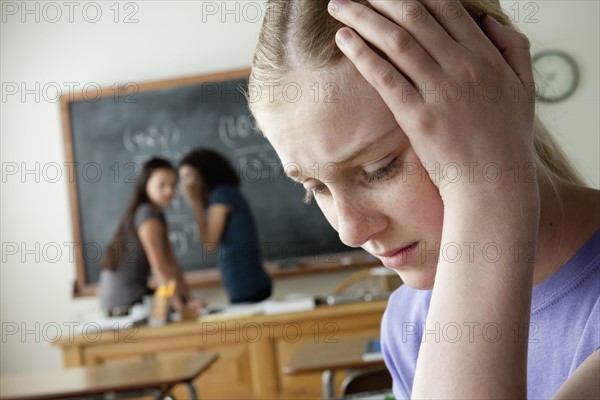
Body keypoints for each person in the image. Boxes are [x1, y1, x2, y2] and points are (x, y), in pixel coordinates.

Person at [248, 0, 599, 398]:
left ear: (496, 99)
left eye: (380, 168)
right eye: (316, 188)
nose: (350, 230)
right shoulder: (409, 321)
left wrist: (487, 188)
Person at [100, 158, 203, 316]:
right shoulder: (147, 214)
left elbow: (172, 264)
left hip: (119, 302)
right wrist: (181, 307)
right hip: (125, 305)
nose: (169, 191)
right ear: (146, 184)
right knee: (171, 312)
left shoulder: (154, 214)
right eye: (162, 185)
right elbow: (159, 267)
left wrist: (189, 300)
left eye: (172, 185)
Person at [178, 148, 273, 303]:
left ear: (205, 173)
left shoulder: (222, 195)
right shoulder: (223, 195)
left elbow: (209, 244)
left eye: (189, 176)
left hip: (247, 284)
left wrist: (195, 205)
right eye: (182, 178)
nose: (185, 184)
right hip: (243, 284)